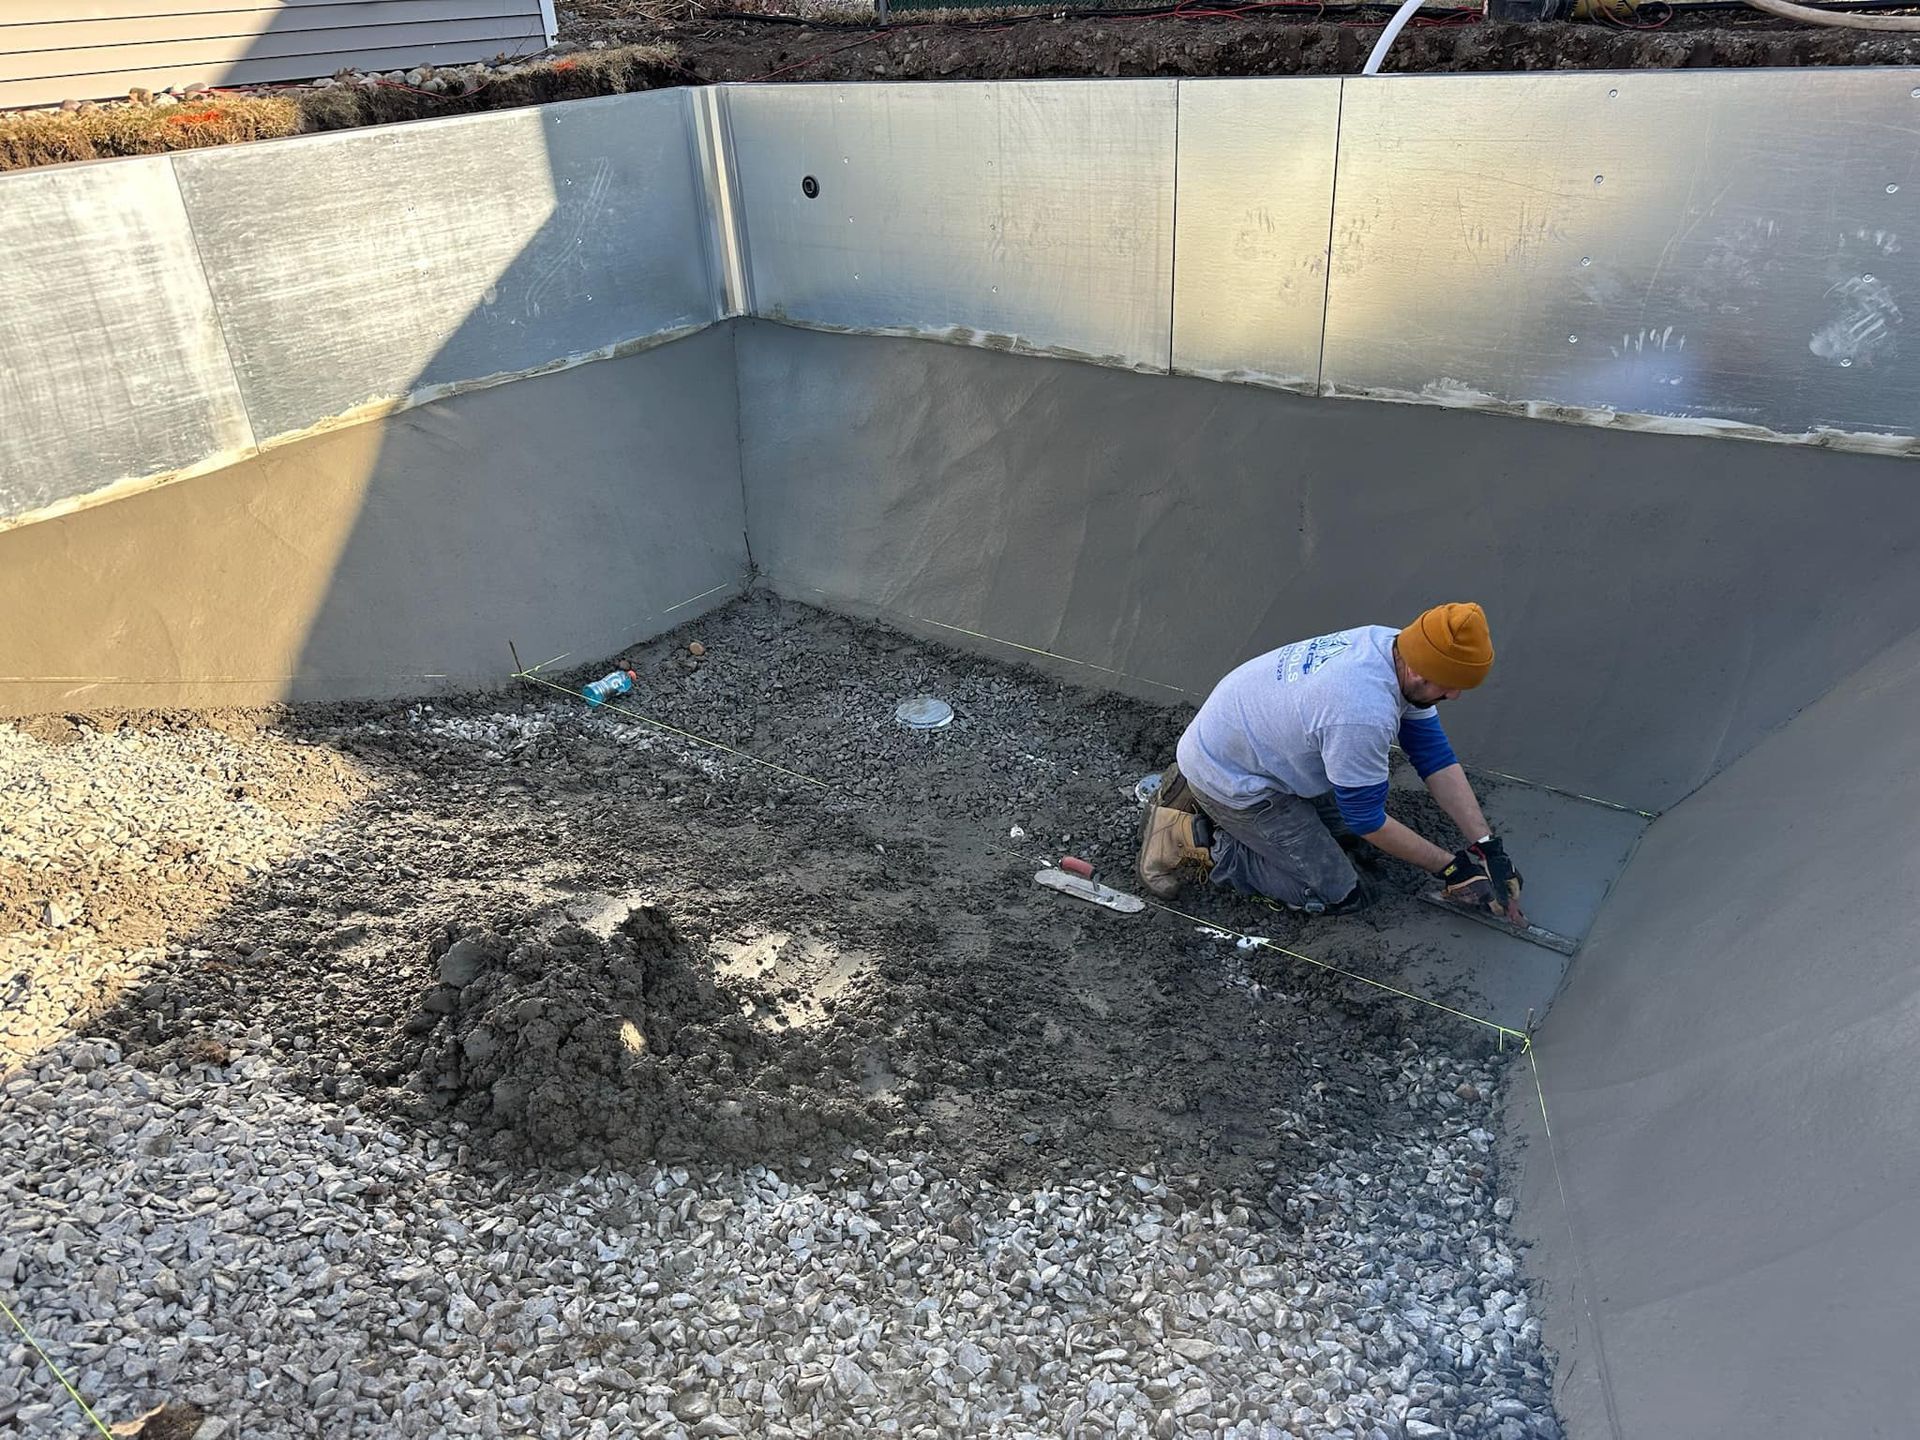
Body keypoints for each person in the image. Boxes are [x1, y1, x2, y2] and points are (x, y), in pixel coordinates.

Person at [1135, 603, 1524, 921]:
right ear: (1421, 670)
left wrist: (1488, 847)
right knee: (1339, 893)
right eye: (1451, 685)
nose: (1455, 696)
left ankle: (1197, 786)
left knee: (1348, 837)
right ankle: (1191, 836)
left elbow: (1433, 755)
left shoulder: (1393, 645)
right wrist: (1451, 869)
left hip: (1249, 741)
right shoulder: (1361, 711)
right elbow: (1366, 818)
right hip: (1237, 779)